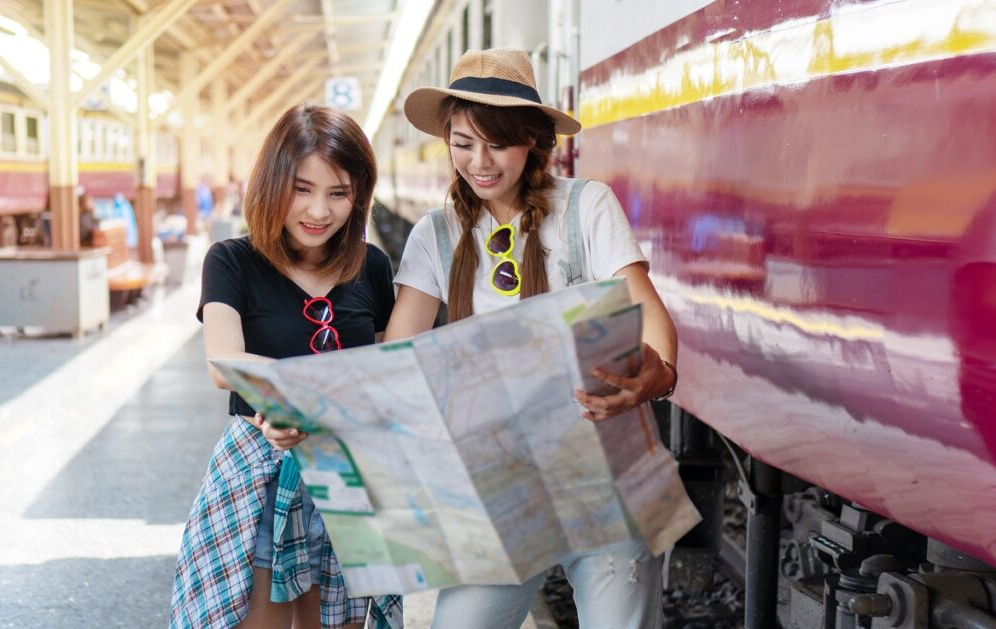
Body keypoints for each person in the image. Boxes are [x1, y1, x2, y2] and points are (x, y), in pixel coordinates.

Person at [385, 47, 699, 628]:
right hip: (502, 491)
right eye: (462, 143)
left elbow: (647, 313)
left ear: (533, 140)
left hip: (607, 482)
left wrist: (659, 371)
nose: (478, 162)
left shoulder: (585, 208)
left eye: (497, 143)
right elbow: (397, 355)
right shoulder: (435, 235)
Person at [169, 103, 402, 629]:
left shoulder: (373, 266)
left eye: (338, 193)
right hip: (261, 467)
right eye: (302, 188)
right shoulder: (231, 260)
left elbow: (388, 371)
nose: (319, 210)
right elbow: (223, 361)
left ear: (358, 196)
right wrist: (292, 403)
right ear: (272, 182)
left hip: (350, 471)